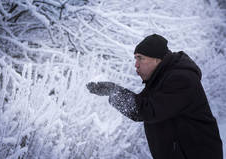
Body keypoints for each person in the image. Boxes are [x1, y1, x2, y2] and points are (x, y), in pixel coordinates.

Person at [86, 34, 223, 159]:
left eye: (141, 58)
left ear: (157, 60)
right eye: (135, 58)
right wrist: (112, 91)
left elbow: (147, 111)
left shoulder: (181, 79)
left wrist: (114, 91)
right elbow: (138, 109)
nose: (136, 65)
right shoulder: (160, 79)